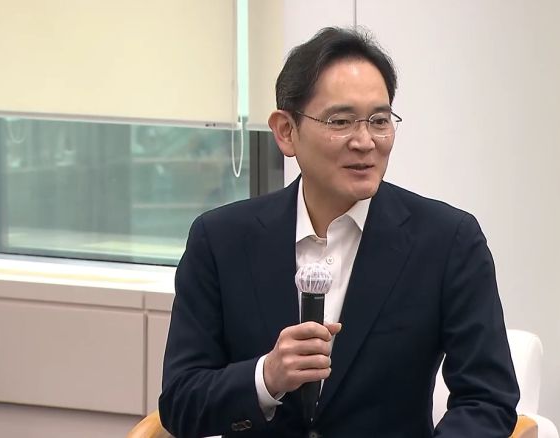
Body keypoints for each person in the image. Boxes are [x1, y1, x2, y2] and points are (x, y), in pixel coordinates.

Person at [159, 26, 519, 438]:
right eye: (341, 121)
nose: (365, 142)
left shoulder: (447, 241)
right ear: (285, 131)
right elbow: (180, 402)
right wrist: (266, 377)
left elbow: (487, 401)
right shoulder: (220, 241)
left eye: (379, 121)